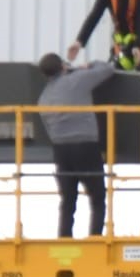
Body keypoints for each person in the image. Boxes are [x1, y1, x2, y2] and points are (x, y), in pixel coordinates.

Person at [37, 52, 116, 238]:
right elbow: (107, 69)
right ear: (63, 66)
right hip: (85, 146)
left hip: (61, 150)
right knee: (97, 197)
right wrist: (88, 65)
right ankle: (95, 239)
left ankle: (65, 239)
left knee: (68, 200)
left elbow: (48, 129)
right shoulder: (77, 80)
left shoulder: (43, 98)